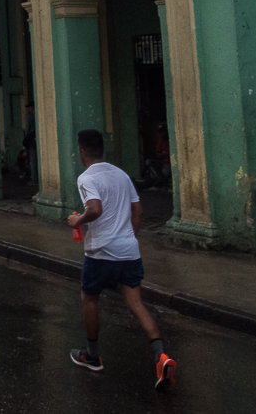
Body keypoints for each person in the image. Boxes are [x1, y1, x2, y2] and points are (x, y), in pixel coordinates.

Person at [67, 129, 176, 391]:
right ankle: (161, 356)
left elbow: (94, 209)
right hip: (129, 251)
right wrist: (128, 237)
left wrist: (77, 220)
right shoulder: (121, 174)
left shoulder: (86, 178)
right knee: (136, 304)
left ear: (82, 152)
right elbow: (137, 210)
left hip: (100, 253)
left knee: (90, 299)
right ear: (101, 150)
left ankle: (92, 355)